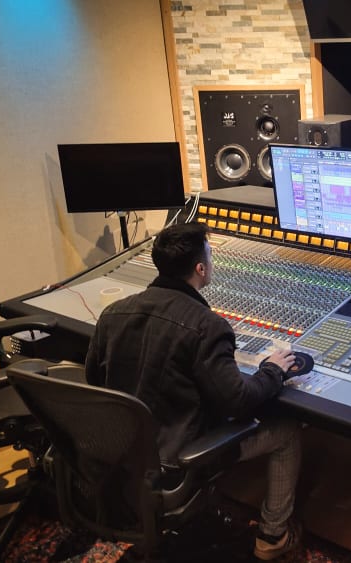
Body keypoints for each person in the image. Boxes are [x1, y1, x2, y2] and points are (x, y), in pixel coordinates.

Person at [84, 222, 302, 560]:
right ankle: (273, 537)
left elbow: (94, 383)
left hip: (122, 456)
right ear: (200, 269)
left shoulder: (113, 313)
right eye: (210, 256)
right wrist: (273, 370)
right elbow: (238, 401)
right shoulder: (207, 326)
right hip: (178, 463)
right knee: (287, 430)